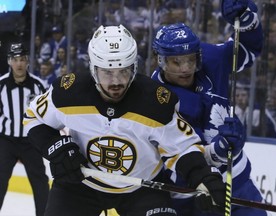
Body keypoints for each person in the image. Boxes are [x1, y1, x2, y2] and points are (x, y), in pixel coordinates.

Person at [23, 24, 226, 216]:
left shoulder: (155, 101)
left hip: (142, 187)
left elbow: (182, 148)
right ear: (94, 69)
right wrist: (54, 147)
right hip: (80, 184)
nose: (116, 82)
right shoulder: (68, 93)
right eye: (107, 72)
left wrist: (203, 176)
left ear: (134, 67)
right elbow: (33, 118)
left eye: (123, 71)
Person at [151, 0, 268, 216]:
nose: (185, 68)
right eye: (176, 62)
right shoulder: (153, 98)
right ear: (161, 60)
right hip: (195, 195)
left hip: (238, 183)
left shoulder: (211, 58)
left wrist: (247, 20)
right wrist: (218, 150)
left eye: (190, 60)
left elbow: (248, 49)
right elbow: (171, 158)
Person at [0, 43, 49, 216]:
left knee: (40, 183)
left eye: (22, 59)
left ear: (28, 61)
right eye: (15, 59)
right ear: (9, 61)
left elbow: (46, 115)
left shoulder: (39, 86)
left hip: (31, 143)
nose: (19, 63)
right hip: (6, 141)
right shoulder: (1, 85)